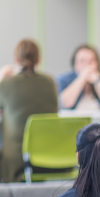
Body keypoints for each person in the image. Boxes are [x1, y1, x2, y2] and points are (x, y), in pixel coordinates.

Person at [0, 38, 58, 182]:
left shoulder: (7, 84)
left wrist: (2, 77)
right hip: (49, 157)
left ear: (16, 59)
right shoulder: (50, 83)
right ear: (39, 59)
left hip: (15, 163)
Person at [57, 44, 100, 110]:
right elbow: (63, 104)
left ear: (97, 63)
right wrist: (81, 79)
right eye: (82, 61)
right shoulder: (63, 80)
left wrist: (98, 80)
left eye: (91, 61)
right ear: (75, 64)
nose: (87, 65)